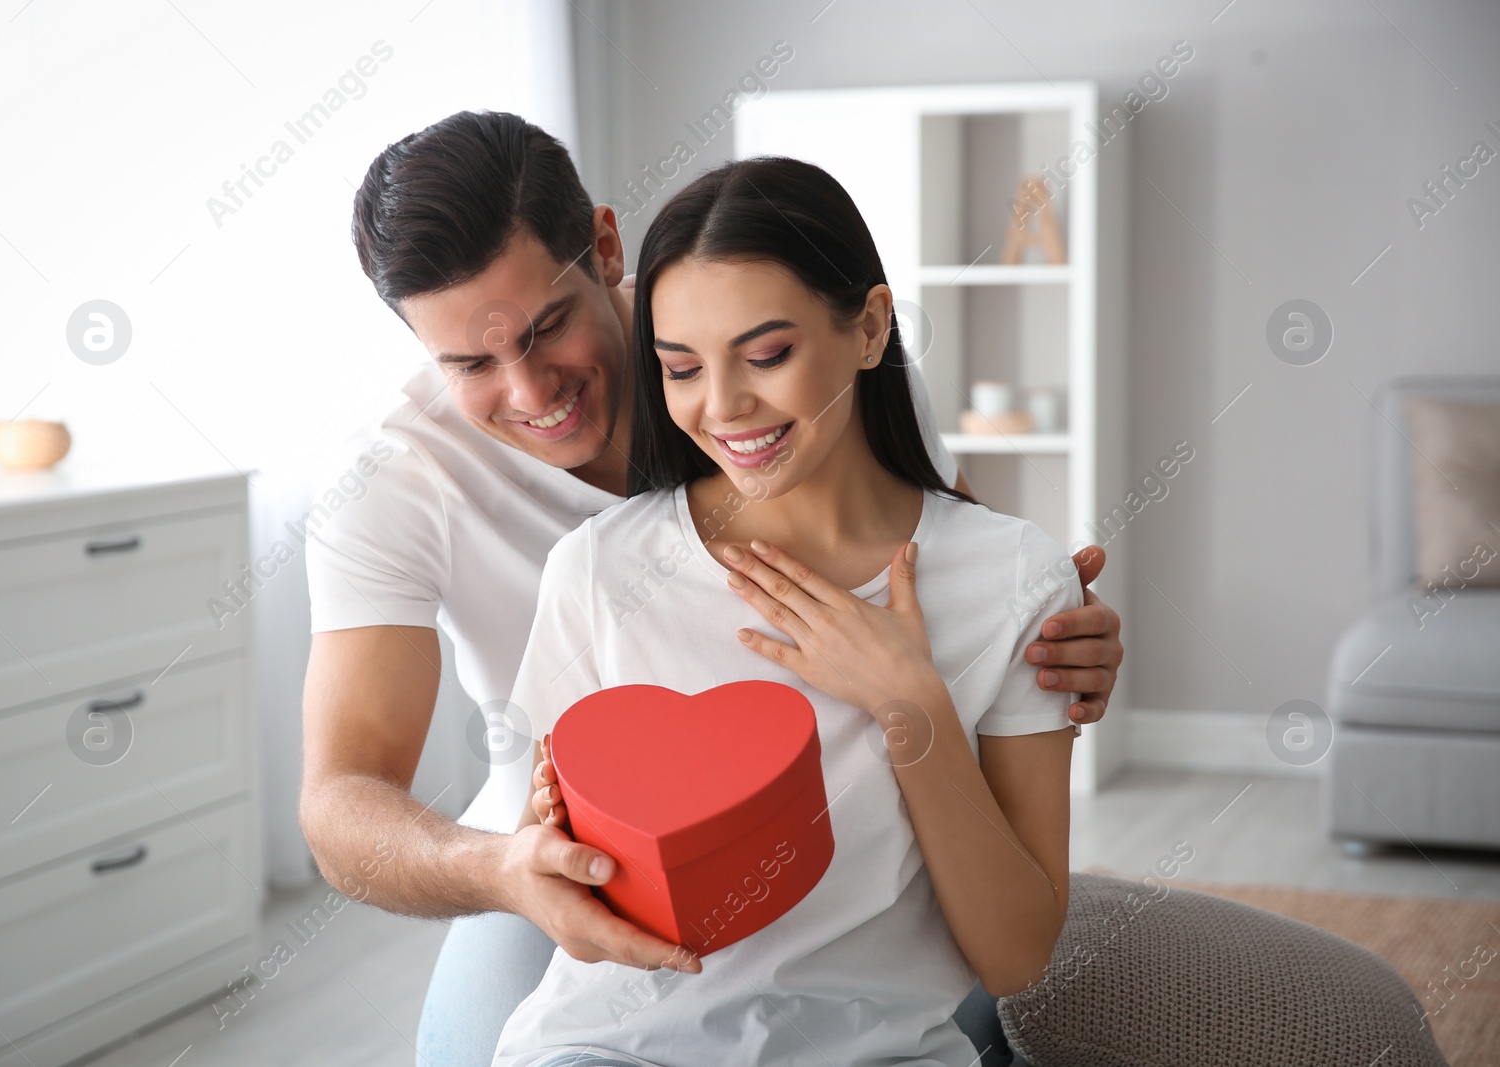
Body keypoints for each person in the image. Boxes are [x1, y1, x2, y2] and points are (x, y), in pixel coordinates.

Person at [299, 111, 1124, 1067]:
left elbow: (958, 568)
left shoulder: (777, 326)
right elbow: (340, 797)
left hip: (866, 848)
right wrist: (506, 868)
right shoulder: (408, 490)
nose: (530, 393)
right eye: (471, 364)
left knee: (931, 995)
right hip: (567, 850)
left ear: (606, 248)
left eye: (549, 326)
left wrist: (1053, 632)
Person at [490, 154, 1078, 1067]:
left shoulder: (1016, 577)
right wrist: (558, 859)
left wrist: (911, 710)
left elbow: (1015, 955)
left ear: (871, 327)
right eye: (681, 367)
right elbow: (570, 916)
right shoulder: (600, 572)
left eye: (767, 355)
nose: (723, 407)